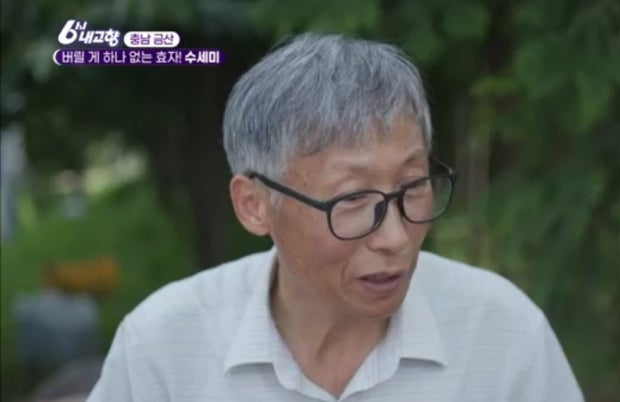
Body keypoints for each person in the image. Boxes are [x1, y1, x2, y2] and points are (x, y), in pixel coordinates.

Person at [88, 33, 584, 402]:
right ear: (254, 205)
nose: (396, 238)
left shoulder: (502, 332)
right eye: (352, 200)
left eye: (413, 187)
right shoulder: (163, 346)